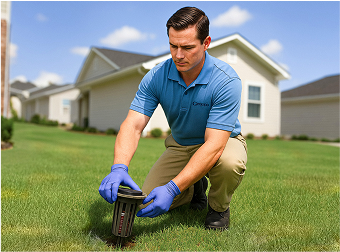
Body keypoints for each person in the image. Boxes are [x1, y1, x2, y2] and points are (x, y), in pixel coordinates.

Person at [99, 6, 247, 230]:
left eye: (187, 47)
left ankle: (218, 208)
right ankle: (194, 187)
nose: (178, 55)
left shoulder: (226, 80)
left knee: (229, 163)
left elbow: (215, 145)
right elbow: (133, 125)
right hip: (181, 145)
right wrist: (119, 167)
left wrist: (172, 188)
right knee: (145, 203)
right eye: (173, 46)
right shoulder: (157, 75)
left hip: (222, 143)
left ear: (206, 43)